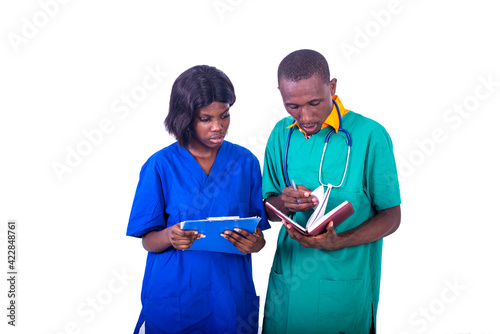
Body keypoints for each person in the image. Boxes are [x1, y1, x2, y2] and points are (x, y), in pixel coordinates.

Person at [261, 49, 401, 333]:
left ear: (332, 87)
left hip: (344, 283)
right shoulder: (281, 134)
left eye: (314, 102)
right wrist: (284, 203)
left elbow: (391, 216)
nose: (305, 116)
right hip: (288, 281)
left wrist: (341, 240)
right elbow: (269, 210)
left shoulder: (370, 135)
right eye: (292, 106)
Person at [126, 65, 270, 334]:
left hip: (231, 299)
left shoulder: (245, 162)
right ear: (185, 118)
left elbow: (257, 232)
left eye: (224, 115)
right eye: (206, 118)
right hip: (176, 297)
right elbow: (148, 240)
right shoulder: (160, 165)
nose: (218, 126)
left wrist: (257, 243)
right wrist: (170, 235)